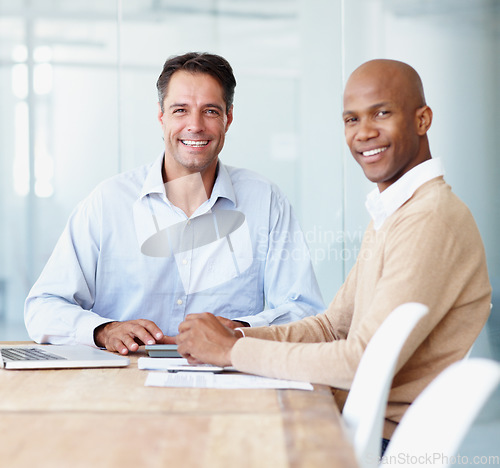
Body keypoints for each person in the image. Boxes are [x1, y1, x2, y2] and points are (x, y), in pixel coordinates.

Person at [175, 59, 492, 446]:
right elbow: (331, 327)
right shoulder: (395, 213)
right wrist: (239, 335)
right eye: (351, 120)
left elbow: (361, 361)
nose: (364, 133)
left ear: (422, 120)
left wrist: (232, 351)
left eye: (382, 113)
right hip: (351, 426)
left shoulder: (430, 219)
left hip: (373, 443)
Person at [24, 52, 325, 355]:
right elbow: (43, 307)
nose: (195, 125)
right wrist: (104, 330)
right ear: (161, 116)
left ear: (228, 118)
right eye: (180, 110)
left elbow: (305, 311)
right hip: (122, 382)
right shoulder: (108, 203)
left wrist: (240, 330)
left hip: (225, 382)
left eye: (210, 111)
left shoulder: (266, 202)